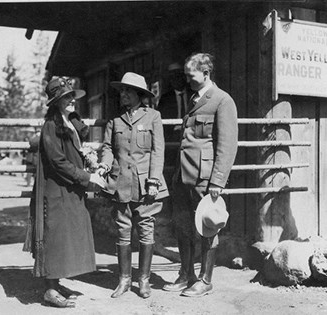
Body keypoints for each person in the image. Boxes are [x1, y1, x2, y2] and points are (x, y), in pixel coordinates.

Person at [23, 77, 106, 308]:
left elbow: (75, 148)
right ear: (56, 102)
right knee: (55, 235)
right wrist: (88, 177)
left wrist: (88, 158)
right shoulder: (51, 125)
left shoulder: (68, 121)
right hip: (56, 187)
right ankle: (49, 289)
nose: (71, 100)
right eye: (66, 97)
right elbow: (57, 161)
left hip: (69, 188)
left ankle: (55, 282)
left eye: (71, 96)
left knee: (66, 235)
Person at [162, 53, 238, 297]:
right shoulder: (194, 97)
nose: (186, 79)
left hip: (205, 177)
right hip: (183, 175)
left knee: (207, 227)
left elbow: (227, 144)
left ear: (205, 73)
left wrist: (218, 180)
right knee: (183, 226)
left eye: (190, 75)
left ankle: (205, 280)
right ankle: (186, 275)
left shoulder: (221, 100)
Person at [98, 72, 169, 299]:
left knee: (146, 231)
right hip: (121, 184)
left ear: (139, 94)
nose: (123, 95)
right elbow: (108, 148)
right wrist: (103, 166)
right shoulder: (115, 120)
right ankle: (124, 279)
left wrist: (154, 181)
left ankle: (144, 280)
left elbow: (158, 151)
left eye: (127, 91)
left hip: (146, 184)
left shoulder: (153, 117)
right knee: (122, 231)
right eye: (121, 91)